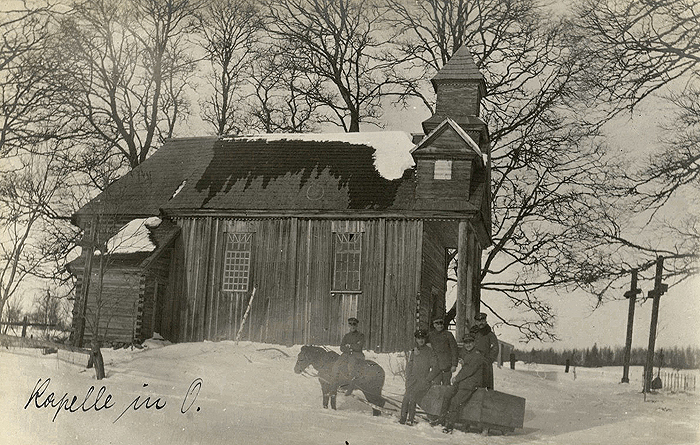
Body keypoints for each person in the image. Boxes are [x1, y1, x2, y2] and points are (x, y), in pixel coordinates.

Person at [441, 333, 487, 434]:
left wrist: (457, 378)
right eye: (466, 342)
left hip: (471, 383)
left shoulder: (477, 355)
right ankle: (442, 419)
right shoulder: (466, 352)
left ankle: (449, 425)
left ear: (474, 343)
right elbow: (460, 359)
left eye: (470, 342)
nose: (468, 344)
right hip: (462, 382)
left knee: (455, 401)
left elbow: (469, 370)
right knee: (448, 394)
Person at [399, 329, 441, 425]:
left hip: (423, 381)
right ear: (416, 339)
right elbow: (410, 365)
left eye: (422, 338)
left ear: (425, 339)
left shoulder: (429, 351)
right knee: (406, 397)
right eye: (419, 338)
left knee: (412, 396)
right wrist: (408, 377)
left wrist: (428, 379)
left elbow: (436, 367)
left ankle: (410, 419)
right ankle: (402, 418)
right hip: (412, 380)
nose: (421, 340)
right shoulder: (414, 351)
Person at [470, 312, 499, 389]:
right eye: (479, 321)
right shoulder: (472, 333)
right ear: (476, 322)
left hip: (485, 364)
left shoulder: (489, 334)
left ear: (485, 321)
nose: (481, 323)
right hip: (472, 362)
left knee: (485, 384)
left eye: (483, 321)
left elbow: (495, 348)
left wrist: (488, 359)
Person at [427, 317, 458, 385]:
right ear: (434, 325)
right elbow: (422, 343)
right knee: (436, 385)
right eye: (437, 324)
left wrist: (454, 364)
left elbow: (454, 349)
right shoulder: (430, 335)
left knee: (446, 385)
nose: (440, 326)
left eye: (441, 324)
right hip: (436, 366)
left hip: (447, 365)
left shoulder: (448, 335)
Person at [338, 317, 365, 395]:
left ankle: (351, 385)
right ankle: (341, 382)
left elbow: (359, 347)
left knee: (351, 364)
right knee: (339, 362)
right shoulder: (346, 336)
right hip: (348, 354)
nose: (352, 326)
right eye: (350, 324)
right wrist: (350, 348)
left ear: (357, 326)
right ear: (348, 326)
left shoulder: (361, 335)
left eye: (354, 324)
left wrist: (349, 346)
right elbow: (341, 347)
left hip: (358, 355)